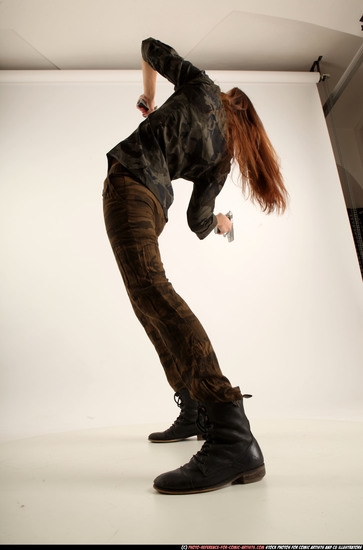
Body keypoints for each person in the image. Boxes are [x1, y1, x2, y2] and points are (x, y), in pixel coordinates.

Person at [103, 37, 288, 494]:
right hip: (154, 202)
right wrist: (222, 223)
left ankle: (231, 432)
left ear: (228, 100)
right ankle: (194, 408)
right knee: (148, 300)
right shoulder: (224, 159)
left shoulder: (201, 85)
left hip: (130, 184)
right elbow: (197, 222)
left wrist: (149, 97)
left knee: (152, 294)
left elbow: (149, 46)